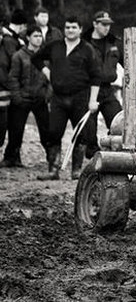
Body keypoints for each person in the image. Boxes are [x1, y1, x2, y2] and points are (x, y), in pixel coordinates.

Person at [31, 16, 101, 180]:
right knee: (54, 132)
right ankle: (53, 170)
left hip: (80, 97)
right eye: (67, 27)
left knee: (81, 134)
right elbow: (36, 58)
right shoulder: (55, 46)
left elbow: (96, 76)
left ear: (80, 29)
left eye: (73, 27)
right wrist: (48, 73)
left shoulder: (87, 49)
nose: (70, 30)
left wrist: (93, 100)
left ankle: (76, 171)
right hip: (58, 98)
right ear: (64, 29)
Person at [1, 25, 50, 168]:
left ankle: (52, 158)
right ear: (28, 37)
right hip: (22, 99)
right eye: (35, 36)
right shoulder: (19, 56)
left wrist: (47, 95)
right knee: (16, 130)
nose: (38, 39)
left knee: (46, 131)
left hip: (40, 98)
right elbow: (13, 77)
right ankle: (12, 157)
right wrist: (17, 97)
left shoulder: (46, 56)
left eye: (40, 36)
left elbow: (52, 78)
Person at [83, 10, 123, 160]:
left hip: (107, 89)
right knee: (89, 129)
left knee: (118, 120)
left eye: (108, 25)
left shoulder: (113, 43)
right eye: (103, 24)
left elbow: (129, 61)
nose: (107, 28)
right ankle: (93, 157)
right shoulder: (83, 43)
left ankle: (113, 152)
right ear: (95, 24)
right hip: (88, 89)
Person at [0, 9, 28, 149]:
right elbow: (14, 62)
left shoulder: (12, 38)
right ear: (22, 25)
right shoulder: (10, 41)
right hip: (5, 87)